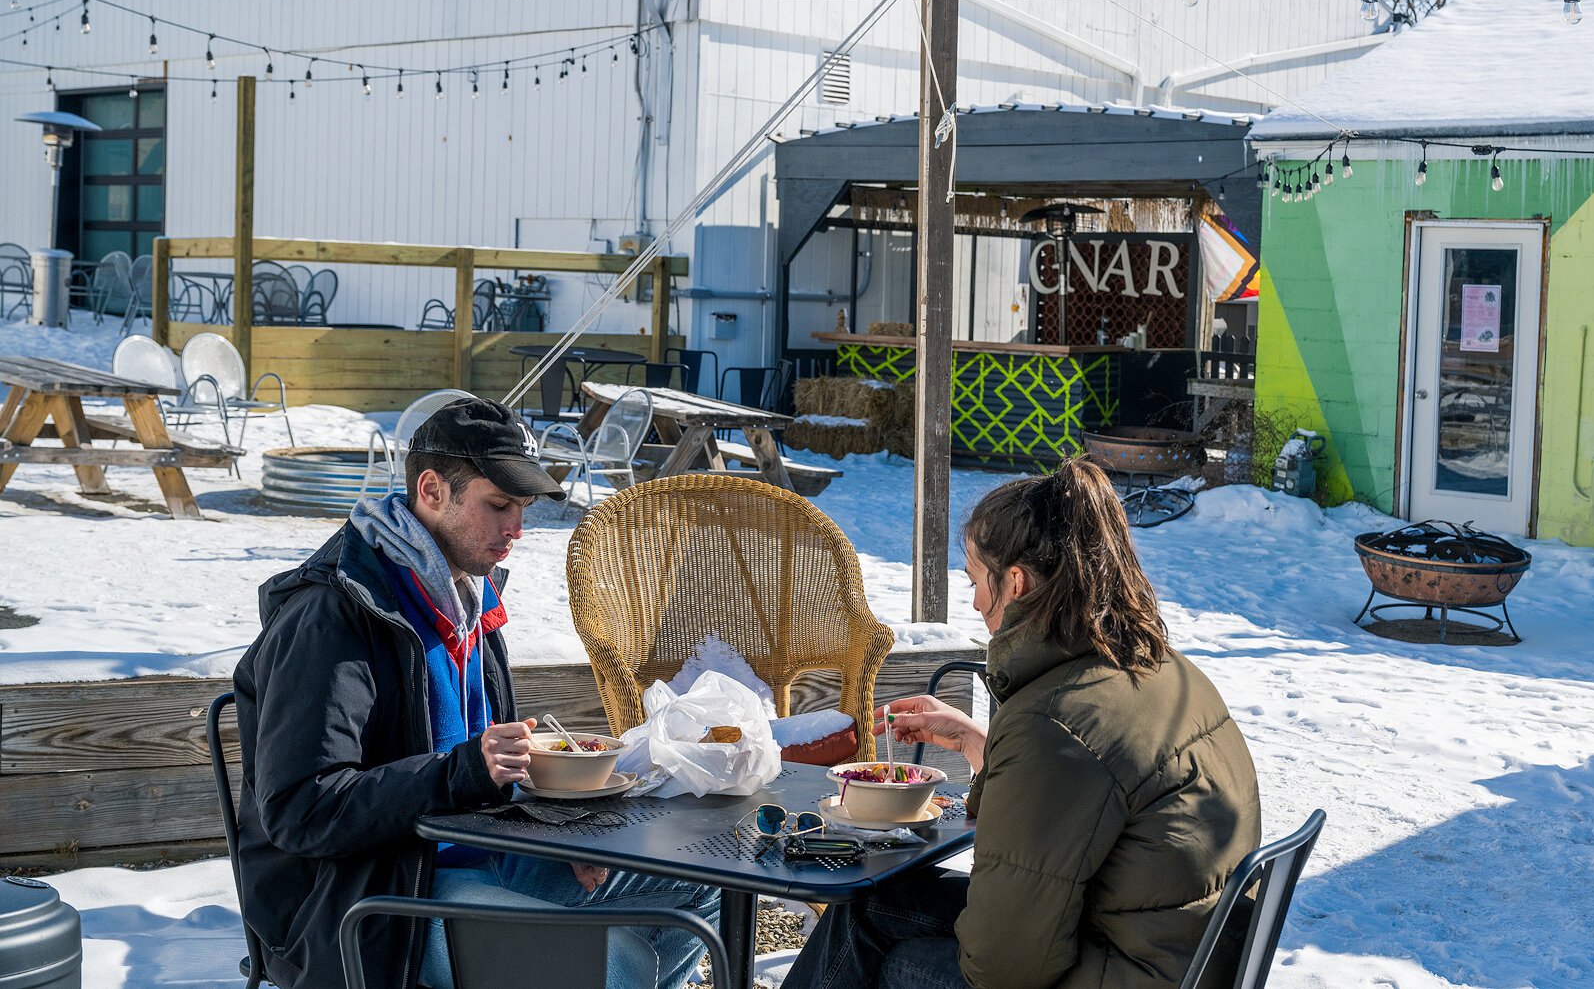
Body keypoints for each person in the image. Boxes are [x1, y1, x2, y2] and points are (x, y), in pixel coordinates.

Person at [233, 397, 717, 989]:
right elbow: (301, 810)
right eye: (499, 505)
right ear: (432, 490)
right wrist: (459, 771)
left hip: (480, 855)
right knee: (617, 967)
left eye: (523, 508)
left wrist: (558, 833)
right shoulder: (333, 616)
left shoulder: (470, 598)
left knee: (700, 886)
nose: (517, 528)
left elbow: (492, 768)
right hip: (373, 896)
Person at [784, 458, 1262, 989]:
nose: (973, 601)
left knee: (896, 963)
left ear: (1014, 582)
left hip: (1131, 971)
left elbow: (1005, 968)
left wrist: (1020, 744)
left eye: (974, 580)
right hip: (1172, 957)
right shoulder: (1160, 669)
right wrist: (982, 744)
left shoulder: (1056, 724)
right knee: (873, 910)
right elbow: (1089, 798)